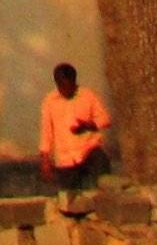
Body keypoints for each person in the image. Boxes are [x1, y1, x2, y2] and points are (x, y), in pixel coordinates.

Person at [39, 61, 114, 203]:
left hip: (88, 151)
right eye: (62, 87)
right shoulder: (49, 101)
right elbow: (46, 132)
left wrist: (88, 125)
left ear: (74, 82)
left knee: (103, 172)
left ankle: (107, 205)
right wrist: (45, 161)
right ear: (57, 84)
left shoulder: (88, 96)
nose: (66, 91)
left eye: (69, 87)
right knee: (69, 199)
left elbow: (105, 119)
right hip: (65, 158)